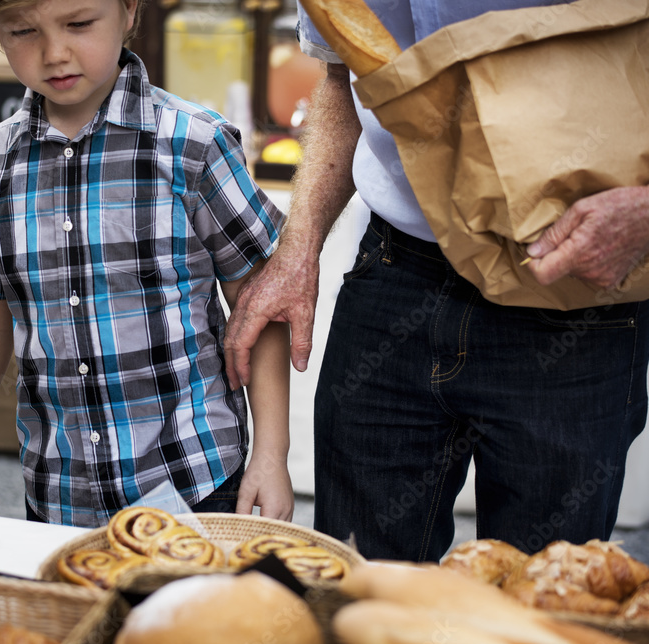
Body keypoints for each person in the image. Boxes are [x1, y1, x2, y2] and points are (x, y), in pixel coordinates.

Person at [224, 0, 649, 562]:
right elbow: (343, 75)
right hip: (395, 274)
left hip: (575, 295)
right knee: (359, 592)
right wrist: (297, 251)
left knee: (543, 616)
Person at [0, 0, 292, 527]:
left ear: (128, 10)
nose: (55, 53)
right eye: (23, 31)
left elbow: (259, 308)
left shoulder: (195, 145)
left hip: (194, 482)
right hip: (59, 495)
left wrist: (271, 456)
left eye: (79, 24)